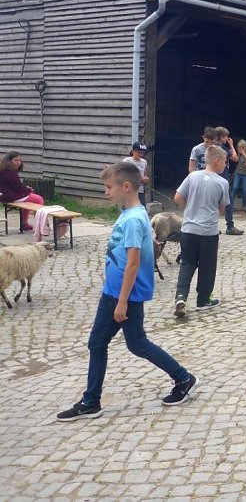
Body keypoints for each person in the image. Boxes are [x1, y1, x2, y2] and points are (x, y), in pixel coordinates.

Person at [56, 162, 197, 421]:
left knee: (130, 344)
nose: (106, 192)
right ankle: (91, 401)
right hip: (114, 292)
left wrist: (121, 301)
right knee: (111, 343)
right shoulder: (130, 213)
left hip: (123, 296)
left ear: (126, 187)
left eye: (109, 187)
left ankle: (183, 378)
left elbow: (133, 263)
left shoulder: (133, 219)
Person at [173, 146, 230, 318]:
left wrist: (191, 208)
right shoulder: (222, 183)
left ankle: (181, 296)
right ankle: (203, 300)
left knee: (187, 263)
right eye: (225, 162)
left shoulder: (192, 176)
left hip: (189, 229)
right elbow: (221, 207)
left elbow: (178, 197)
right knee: (207, 266)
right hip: (208, 232)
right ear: (217, 161)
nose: (226, 166)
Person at [0, 151, 44, 231]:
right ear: (9, 161)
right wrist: (28, 189)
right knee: (39, 199)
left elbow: (15, 185)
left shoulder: (3, 170)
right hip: (12, 197)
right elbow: (18, 188)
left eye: (20, 160)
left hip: (4, 196)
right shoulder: (10, 173)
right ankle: (39, 224)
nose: (18, 163)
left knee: (29, 201)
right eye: (15, 160)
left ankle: (24, 224)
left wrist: (26, 189)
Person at [212, 126, 243, 235]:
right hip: (223, 178)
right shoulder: (222, 148)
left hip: (214, 177)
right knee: (228, 203)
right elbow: (235, 158)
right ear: (221, 137)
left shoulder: (212, 147)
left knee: (214, 202)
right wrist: (231, 145)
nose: (227, 139)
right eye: (225, 137)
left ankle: (213, 226)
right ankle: (230, 226)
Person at [123, 142, 149, 208]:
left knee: (142, 207)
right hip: (130, 189)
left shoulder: (144, 162)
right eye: (139, 152)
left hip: (140, 189)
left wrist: (146, 179)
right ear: (133, 151)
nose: (141, 154)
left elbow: (145, 175)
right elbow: (123, 174)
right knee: (128, 208)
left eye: (143, 153)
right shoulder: (127, 161)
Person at [230, 139, 246, 211]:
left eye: (241, 147)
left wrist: (243, 153)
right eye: (239, 147)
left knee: (245, 190)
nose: (240, 149)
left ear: (245, 146)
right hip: (238, 173)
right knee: (234, 188)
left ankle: (244, 206)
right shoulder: (239, 153)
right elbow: (236, 160)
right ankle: (230, 205)